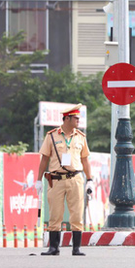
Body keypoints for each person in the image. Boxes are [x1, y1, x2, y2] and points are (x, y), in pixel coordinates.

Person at [35, 103, 93, 256]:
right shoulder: (52, 136)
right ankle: (54, 248)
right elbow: (44, 159)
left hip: (75, 178)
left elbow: (85, 160)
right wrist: (39, 180)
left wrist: (90, 179)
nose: (78, 121)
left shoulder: (81, 137)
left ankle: (76, 248)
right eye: (75, 118)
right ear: (67, 119)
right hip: (56, 179)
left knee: (77, 213)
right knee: (55, 213)